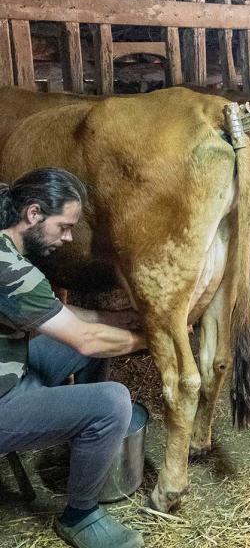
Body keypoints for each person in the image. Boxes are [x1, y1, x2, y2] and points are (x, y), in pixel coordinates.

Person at [0, 168, 146, 548]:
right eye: (64, 226)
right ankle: (80, 516)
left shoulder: (4, 242)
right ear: (33, 214)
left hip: (11, 367)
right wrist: (151, 338)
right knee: (113, 403)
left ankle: (87, 445)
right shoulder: (13, 272)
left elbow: (54, 316)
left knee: (71, 348)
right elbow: (86, 341)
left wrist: (119, 320)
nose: (67, 239)